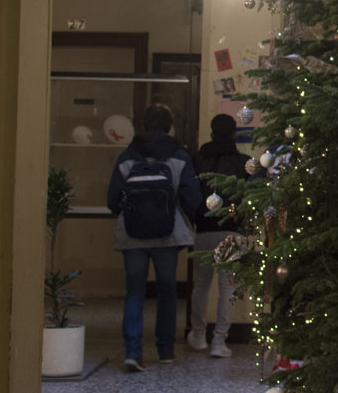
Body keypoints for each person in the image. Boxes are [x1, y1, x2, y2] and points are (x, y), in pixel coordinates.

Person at [106, 103, 200, 372]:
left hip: (132, 236)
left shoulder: (127, 157)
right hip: (167, 236)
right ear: (169, 127)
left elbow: (112, 200)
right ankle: (165, 350)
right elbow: (191, 197)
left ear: (143, 126)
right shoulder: (180, 156)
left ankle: (133, 352)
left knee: (134, 291)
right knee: (167, 292)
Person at [188, 113, 249, 358]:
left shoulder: (198, 159)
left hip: (202, 230)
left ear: (211, 133)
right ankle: (219, 342)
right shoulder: (242, 162)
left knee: (200, 287)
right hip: (230, 232)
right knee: (227, 290)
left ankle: (198, 336)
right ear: (234, 134)